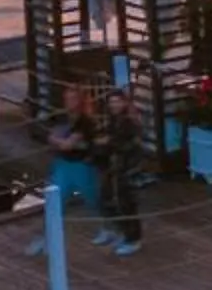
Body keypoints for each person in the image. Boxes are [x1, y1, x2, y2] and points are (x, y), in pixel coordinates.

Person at [29, 95, 101, 256]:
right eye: (67, 98)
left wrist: (57, 139)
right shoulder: (62, 117)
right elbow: (53, 138)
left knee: (93, 199)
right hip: (63, 164)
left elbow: (67, 145)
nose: (69, 102)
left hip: (82, 165)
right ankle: (48, 239)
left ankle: (109, 229)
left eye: (73, 98)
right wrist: (58, 140)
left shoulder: (85, 122)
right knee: (55, 201)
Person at [98, 85, 146, 256]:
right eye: (112, 102)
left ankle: (134, 239)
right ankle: (122, 233)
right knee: (108, 198)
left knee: (127, 204)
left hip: (128, 167)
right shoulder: (113, 120)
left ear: (124, 103)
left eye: (117, 101)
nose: (114, 105)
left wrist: (110, 142)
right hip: (114, 166)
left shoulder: (130, 122)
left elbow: (132, 145)